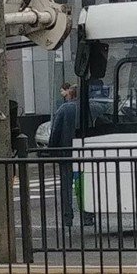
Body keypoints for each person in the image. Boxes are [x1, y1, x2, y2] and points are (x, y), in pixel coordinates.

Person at [48, 84, 80, 228]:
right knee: (83, 185)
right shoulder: (88, 107)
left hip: (67, 152)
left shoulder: (64, 109)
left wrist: (52, 150)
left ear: (69, 94)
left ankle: (68, 218)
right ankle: (87, 215)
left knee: (66, 187)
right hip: (85, 152)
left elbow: (55, 131)